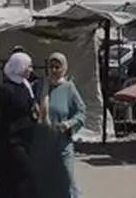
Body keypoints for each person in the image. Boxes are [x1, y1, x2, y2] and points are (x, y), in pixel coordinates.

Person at [0, 52, 37, 198]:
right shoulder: (6, 89)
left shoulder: (25, 86)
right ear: (19, 67)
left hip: (24, 139)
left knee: (9, 183)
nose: (31, 70)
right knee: (27, 176)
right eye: (28, 66)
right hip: (10, 143)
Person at [40, 52, 86, 198]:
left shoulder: (68, 88)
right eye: (51, 67)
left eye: (57, 67)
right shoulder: (41, 86)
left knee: (68, 181)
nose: (53, 70)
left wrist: (69, 123)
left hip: (62, 144)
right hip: (44, 144)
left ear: (64, 68)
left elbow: (81, 112)